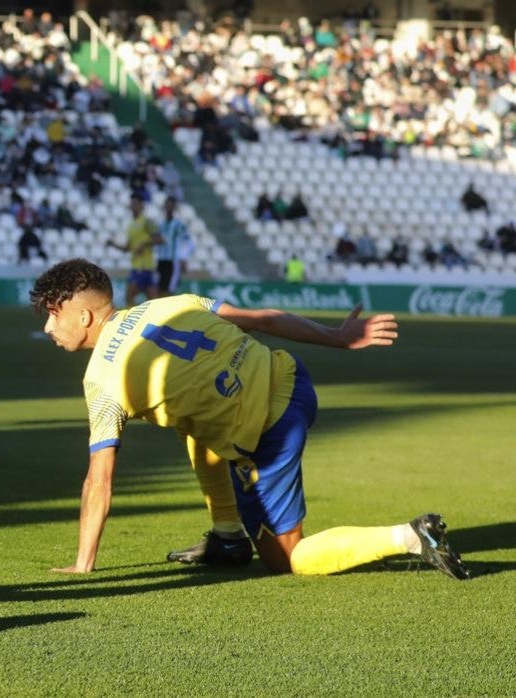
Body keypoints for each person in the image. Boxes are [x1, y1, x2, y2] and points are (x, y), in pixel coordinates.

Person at [27, 259, 470, 580]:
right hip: (292, 381)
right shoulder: (171, 303)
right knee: (190, 418)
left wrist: (83, 563)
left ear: (83, 315)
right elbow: (263, 319)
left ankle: (409, 537)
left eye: (52, 315)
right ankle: (227, 535)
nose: (47, 329)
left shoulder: (102, 379)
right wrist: (336, 337)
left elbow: (98, 481)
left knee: (287, 560)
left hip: (268, 432)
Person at [106, 195, 162, 306]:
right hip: (139, 266)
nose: (133, 206)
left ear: (141, 206)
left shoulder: (147, 222)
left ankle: (136, 321)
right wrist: (113, 244)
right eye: (132, 204)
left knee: (129, 297)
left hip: (143, 267)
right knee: (152, 302)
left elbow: (159, 239)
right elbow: (128, 248)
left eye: (135, 204)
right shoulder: (131, 225)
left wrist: (144, 243)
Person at [154, 197, 194, 296]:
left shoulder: (178, 225)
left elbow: (188, 242)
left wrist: (183, 257)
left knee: (170, 289)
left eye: (171, 205)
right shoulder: (161, 225)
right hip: (161, 260)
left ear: (174, 208)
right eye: (167, 205)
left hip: (173, 261)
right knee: (159, 289)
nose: (168, 207)